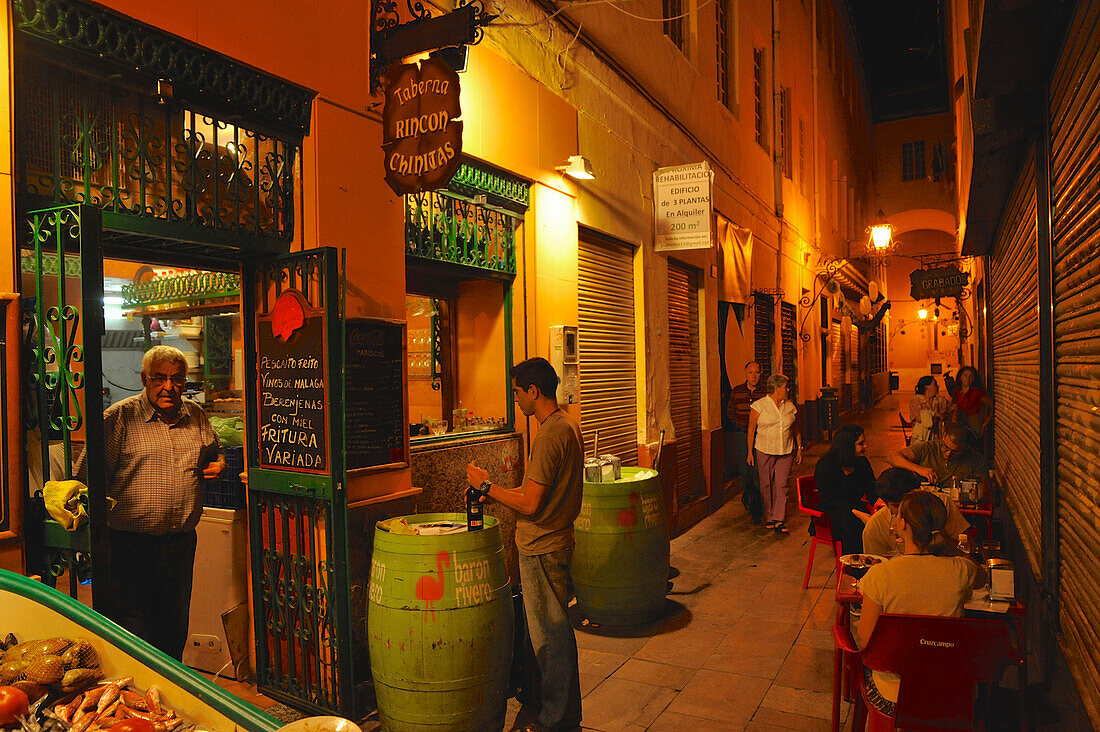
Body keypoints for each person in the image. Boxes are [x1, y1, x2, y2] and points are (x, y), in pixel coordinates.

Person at [77, 345, 224, 659]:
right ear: (144, 378)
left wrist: (219, 464)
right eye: (159, 378)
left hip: (179, 546)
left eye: (177, 379)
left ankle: (166, 699)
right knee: (130, 633)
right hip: (127, 547)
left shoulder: (196, 416)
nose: (169, 387)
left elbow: (215, 451)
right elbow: (86, 479)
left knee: (172, 630)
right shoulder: (119, 418)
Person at [466, 357, 583, 732]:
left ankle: (556, 717)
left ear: (533, 391)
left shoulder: (551, 434)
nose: (514, 399)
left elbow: (532, 504)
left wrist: (487, 486)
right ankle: (554, 708)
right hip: (551, 542)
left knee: (551, 637)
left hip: (543, 547)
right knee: (551, 633)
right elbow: (536, 492)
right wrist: (499, 494)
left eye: (517, 391)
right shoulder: (565, 424)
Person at [857, 490, 988, 710]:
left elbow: (866, 641)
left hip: (894, 696)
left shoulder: (880, 576)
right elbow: (982, 578)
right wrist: (948, 546)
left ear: (903, 524)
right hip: (951, 692)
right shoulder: (962, 570)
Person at [858, 467, 971, 557]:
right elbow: (875, 568)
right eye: (897, 506)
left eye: (910, 500)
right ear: (885, 504)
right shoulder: (875, 527)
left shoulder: (941, 504)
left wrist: (938, 540)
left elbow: (967, 547)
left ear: (919, 491)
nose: (905, 509)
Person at [746, 373, 802, 535]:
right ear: (777, 388)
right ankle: (769, 516)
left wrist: (799, 448)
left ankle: (779, 519)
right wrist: (749, 452)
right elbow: (751, 429)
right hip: (764, 449)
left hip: (786, 450)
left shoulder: (790, 406)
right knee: (766, 484)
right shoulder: (759, 405)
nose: (788, 389)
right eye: (785, 386)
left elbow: (795, 428)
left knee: (782, 484)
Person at [813, 424, 875, 554]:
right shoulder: (826, 465)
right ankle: (855, 567)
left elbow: (872, 490)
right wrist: (859, 514)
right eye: (860, 443)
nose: (865, 446)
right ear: (847, 446)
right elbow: (830, 500)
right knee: (851, 523)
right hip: (831, 514)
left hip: (855, 510)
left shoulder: (862, 463)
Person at [883, 423, 989, 490]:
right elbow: (892, 458)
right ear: (943, 436)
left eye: (955, 452)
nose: (948, 454)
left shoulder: (976, 460)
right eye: (946, 447)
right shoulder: (928, 448)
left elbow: (984, 490)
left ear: (965, 448)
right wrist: (920, 469)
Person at [727, 361, 766, 523]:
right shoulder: (737, 391)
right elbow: (730, 412)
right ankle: (748, 498)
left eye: (757, 372)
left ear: (760, 374)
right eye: (751, 372)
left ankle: (758, 507)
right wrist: (741, 425)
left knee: (758, 470)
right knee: (745, 470)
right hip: (742, 435)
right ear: (746, 374)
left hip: (760, 435)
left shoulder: (765, 392)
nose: (754, 376)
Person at [908, 376, 955, 444]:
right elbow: (919, 417)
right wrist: (935, 414)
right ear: (926, 387)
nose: (937, 386)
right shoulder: (916, 401)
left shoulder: (941, 401)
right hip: (921, 439)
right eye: (935, 384)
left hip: (937, 439)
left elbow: (952, 409)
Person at [951, 366, 994, 438]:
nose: (968, 379)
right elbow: (956, 408)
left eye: (971, 376)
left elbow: (993, 406)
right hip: (961, 428)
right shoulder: (958, 393)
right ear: (960, 377)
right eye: (965, 375)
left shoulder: (976, 393)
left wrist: (984, 424)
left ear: (973, 378)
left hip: (974, 429)